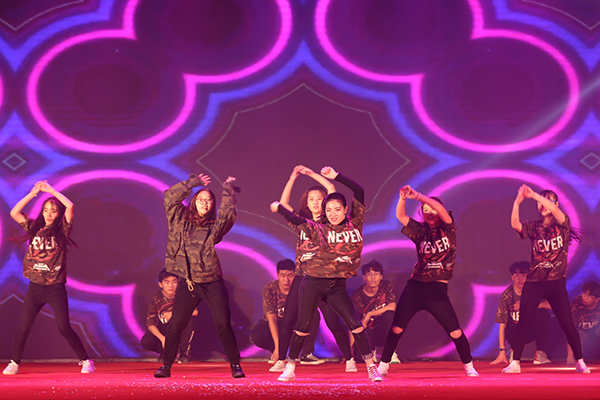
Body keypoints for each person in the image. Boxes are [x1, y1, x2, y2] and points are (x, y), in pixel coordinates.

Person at [271, 166, 382, 382]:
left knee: (355, 325)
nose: (333, 214)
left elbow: (359, 191)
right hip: (313, 283)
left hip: (336, 286)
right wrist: (280, 209)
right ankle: (290, 368)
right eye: (329, 210)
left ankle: (371, 368)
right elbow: (297, 220)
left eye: (337, 209)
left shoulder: (355, 221)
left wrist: (337, 177)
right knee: (302, 326)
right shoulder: (320, 227)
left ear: (345, 209)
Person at [377, 185, 479, 378]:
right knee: (397, 328)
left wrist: (419, 196)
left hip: (437, 290)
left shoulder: (448, 228)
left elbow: (438, 208)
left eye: (432, 208)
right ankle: (383, 366)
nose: (429, 212)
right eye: (425, 210)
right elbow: (400, 216)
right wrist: (403, 198)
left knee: (455, 331)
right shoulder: (420, 231)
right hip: (415, 288)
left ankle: (469, 366)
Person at [154, 174, 245, 379]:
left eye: (209, 200)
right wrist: (193, 182)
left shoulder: (213, 227)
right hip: (189, 283)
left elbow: (227, 215)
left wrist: (228, 188)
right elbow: (169, 196)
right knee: (176, 324)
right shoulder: (178, 217)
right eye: (201, 199)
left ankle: (235, 365)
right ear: (194, 201)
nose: (205, 203)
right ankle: (166, 365)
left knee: (223, 324)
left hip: (211, 283)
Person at [3, 181, 95, 375]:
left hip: (55, 288)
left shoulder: (62, 230)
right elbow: (14, 212)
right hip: (35, 287)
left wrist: (51, 190)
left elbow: (70, 206)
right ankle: (14, 363)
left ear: (58, 213)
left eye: (53, 211)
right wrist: (33, 193)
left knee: (64, 327)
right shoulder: (34, 227)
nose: (49, 214)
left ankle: (86, 360)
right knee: (23, 328)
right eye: (46, 210)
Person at [502, 185, 590, 373]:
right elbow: (515, 225)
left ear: (556, 204)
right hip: (534, 283)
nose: (543, 205)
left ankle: (580, 361)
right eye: (540, 203)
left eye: (549, 201)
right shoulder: (534, 227)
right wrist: (518, 202)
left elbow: (555, 211)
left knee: (567, 323)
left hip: (556, 283)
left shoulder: (562, 223)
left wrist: (534, 195)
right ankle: (515, 362)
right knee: (524, 321)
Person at [249, 259, 320, 361]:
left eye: (290, 276)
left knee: (314, 314)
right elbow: (271, 319)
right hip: (277, 323)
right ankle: (277, 353)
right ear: (278, 275)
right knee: (257, 335)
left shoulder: (302, 289)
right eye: (283, 276)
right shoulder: (269, 289)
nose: (286, 280)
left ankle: (306, 354)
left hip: (294, 325)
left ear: (295, 275)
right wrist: (278, 348)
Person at [491, 261, 552, 365]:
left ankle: (540, 354)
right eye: (517, 275)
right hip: (516, 330)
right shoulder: (507, 295)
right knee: (509, 327)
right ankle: (514, 353)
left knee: (543, 314)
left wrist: (528, 305)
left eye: (524, 275)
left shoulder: (536, 290)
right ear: (512, 277)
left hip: (531, 329)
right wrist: (502, 351)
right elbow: (502, 325)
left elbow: (551, 305)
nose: (520, 279)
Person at [140, 269, 196, 363]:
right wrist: (162, 339)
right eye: (167, 282)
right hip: (165, 330)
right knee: (146, 341)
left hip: (180, 329)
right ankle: (165, 352)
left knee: (189, 319)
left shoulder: (183, 295)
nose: (171, 285)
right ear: (160, 284)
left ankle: (183, 353)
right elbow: (150, 324)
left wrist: (173, 313)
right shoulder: (156, 299)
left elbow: (195, 311)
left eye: (174, 282)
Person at [350, 260, 399, 363]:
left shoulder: (386, 286)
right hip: (368, 334)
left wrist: (369, 314)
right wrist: (350, 354)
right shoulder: (357, 297)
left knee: (390, 315)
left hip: (382, 330)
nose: (373, 278)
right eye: (369, 274)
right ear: (364, 277)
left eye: (376, 274)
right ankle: (371, 351)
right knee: (359, 359)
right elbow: (352, 325)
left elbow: (392, 306)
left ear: (381, 276)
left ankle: (391, 352)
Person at [567, 281, 600, 364]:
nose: (585, 298)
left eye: (590, 297)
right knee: (578, 336)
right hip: (581, 330)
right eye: (584, 294)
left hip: (597, 328)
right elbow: (570, 331)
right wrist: (570, 356)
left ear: (597, 299)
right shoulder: (576, 304)